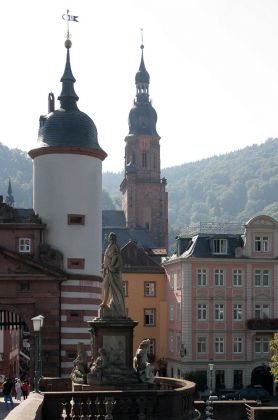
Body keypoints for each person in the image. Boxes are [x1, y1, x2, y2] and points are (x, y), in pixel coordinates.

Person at [100, 232, 126, 317]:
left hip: (111, 270)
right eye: (109, 237)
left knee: (108, 286)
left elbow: (116, 256)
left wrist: (111, 265)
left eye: (111, 238)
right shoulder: (109, 246)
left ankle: (108, 303)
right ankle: (105, 302)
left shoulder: (114, 246)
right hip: (107, 269)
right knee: (106, 285)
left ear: (114, 239)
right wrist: (105, 268)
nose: (110, 239)